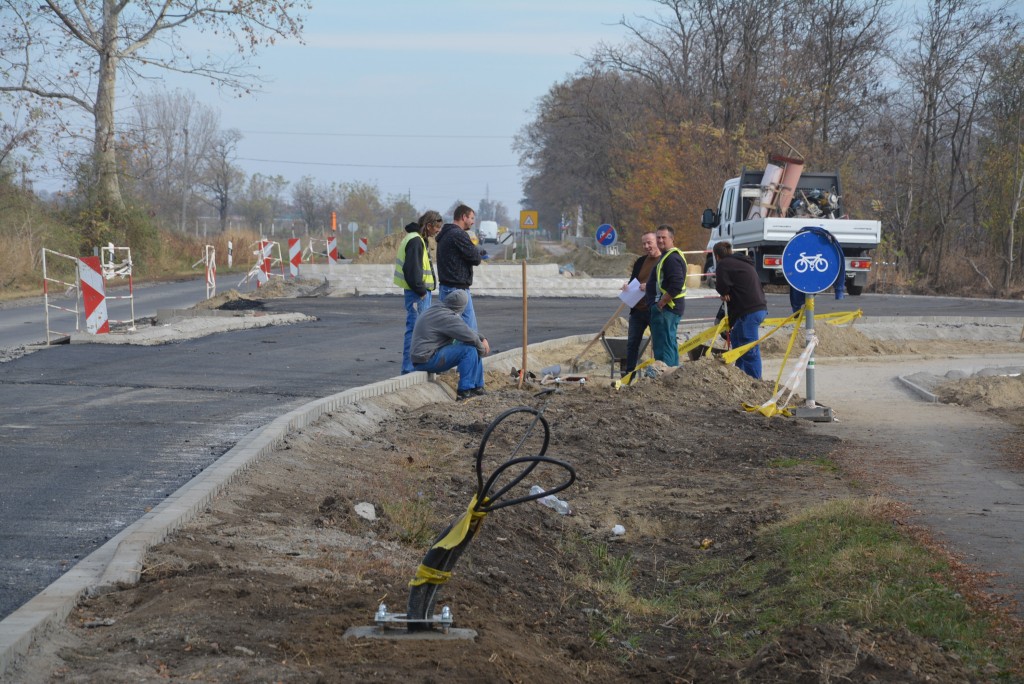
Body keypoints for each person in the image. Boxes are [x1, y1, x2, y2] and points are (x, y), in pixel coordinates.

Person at [411, 290, 490, 400]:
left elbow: (465, 330)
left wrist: (482, 338)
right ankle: (464, 391)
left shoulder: (439, 308)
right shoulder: (446, 316)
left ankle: (477, 387)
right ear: (460, 306)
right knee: (470, 350)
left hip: (424, 357)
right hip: (426, 360)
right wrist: (482, 349)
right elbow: (469, 336)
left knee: (471, 345)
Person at [394, 210, 442, 374]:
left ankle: (414, 367)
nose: (437, 231)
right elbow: (411, 270)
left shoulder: (417, 239)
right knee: (415, 330)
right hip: (418, 294)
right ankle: (409, 369)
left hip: (419, 293)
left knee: (418, 330)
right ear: (428, 225)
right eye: (436, 227)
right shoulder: (415, 241)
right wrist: (421, 291)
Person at [713, 241, 768, 379]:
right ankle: (741, 375)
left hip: (748, 310)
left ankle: (755, 381)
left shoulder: (723, 264)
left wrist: (724, 291)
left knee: (749, 349)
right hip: (758, 307)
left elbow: (721, 286)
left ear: (717, 256)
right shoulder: (742, 262)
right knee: (737, 337)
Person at [621, 231, 661, 378]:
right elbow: (634, 281)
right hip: (637, 310)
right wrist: (627, 286)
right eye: (644, 243)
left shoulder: (663, 261)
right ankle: (629, 376)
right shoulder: (640, 262)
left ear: (657, 241)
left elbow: (666, 283)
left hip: (655, 309)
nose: (646, 246)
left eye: (649, 242)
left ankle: (658, 374)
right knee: (632, 344)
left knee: (657, 344)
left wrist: (649, 286)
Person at [645, 224, 687, 366]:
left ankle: (665, 378)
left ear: (672, 239)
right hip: (667, 308)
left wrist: (661, 303)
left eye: (664, 237)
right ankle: (672, 375)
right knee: (668, 344)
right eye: (658, 237)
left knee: (664, 348)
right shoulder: (667, 257)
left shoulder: (672, 259)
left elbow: (676, 284)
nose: (660, 240)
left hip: (666, 309)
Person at [436, 204, 483, 330]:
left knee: (448, 332)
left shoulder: (445, 234)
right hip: (458, 290)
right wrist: (476, 252)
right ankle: (468, 351)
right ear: (463, 217)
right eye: (472, 218)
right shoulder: (458, 234)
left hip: (445, 288)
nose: (473, 222)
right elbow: (476, 258)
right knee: (469, 332)